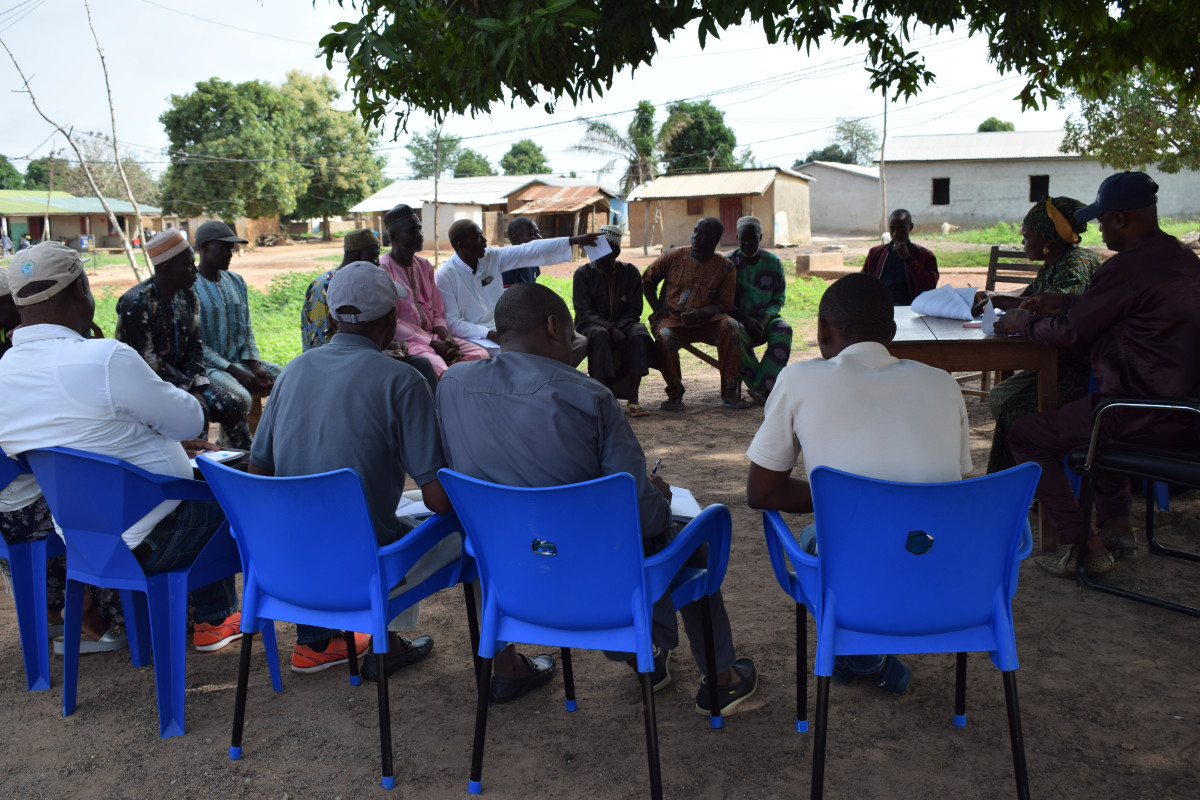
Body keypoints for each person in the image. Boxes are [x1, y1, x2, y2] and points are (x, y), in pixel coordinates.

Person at [439, 283, 758, 714]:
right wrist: (658, 496)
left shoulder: (453, 383)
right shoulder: (588, 396)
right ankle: (721, 679)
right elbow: (643, 520)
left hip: (510, 572)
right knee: (690, 538)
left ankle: (643, 661)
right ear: (555, 326)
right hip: (600, 581)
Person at [0, 242, 242, 654]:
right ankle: (218, 619)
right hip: (157, 537)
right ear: (80, 289)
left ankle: (207, 618)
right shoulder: (105, 358)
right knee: (239, 493)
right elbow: (189, 421)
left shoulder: (5, 372)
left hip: (83, 540)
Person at [746, 273, 973, 694]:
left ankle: (868, 661)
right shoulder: (942, 382)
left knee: (820, 537)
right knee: (883, 534)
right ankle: (862, 662)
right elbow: (954, 483)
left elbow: (761, 493)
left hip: (859, 570)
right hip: (946, 569)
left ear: (822, 332)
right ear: (890, 333)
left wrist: (846, 501)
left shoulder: (798, 380)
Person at [251, 262, 449, 679]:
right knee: (464, 528)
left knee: (383, 507)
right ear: (393, 318)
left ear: (334, 314)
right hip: (364, 567)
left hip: (288, 560)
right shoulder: (402, 381)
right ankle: (500, 662)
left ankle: (383, 642)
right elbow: (439, 499)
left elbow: (258, 471)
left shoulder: (292, 371)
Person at [997, 172, 1200, 576]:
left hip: (1141, 413)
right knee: (1091, 415)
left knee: (1028, 435)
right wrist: (1067, 299)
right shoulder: (1183, 260)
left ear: (1121, 219)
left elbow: (1070, 334)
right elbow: (1131, 307)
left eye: (1103, 220)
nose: (1098, 229)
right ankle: (1118, 526)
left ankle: (1082, 545)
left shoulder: (1125, 269)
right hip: (1187, 412)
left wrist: (1021, 322)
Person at [1, 261, 125, 653]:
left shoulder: (14, 352)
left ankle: (64, 610)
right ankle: (96, 614)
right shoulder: (13, 358)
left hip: (14, 495)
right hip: (20, 502)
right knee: (107, 493)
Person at [976, 197, 1101, 474]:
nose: (1023, 242)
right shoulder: (1056, 261)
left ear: (1047, 237)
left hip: (1078, 371)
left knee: (1011, 407)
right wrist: (994, 300)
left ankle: (1030, 481)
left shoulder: (1076, 264)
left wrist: (1015, 317)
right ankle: (1021, 479)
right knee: (1000, 396)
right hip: (1056, 361)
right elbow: (1031, 298)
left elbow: (1067, 318)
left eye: (1026, 235)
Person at [115, 230, 245, 438]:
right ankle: (192, 466)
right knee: (194, 411)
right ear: (166, 267)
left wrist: (195, 384)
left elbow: (195, 346)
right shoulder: (135, 303)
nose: (194, 270)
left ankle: (238, 459)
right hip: (147, 385)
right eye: (188, 264)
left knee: (233, 404)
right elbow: (146, 363)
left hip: (184, 379)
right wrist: (187, 390)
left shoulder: (187, 295)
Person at [434, 218, 596, 365]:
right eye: (477, 237)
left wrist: (574, 241)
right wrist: (489, 334)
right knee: (529, 355)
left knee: (576, 343)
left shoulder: (490, 257)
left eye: (482, 235)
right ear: (461, 245)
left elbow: (527, 250)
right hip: (476, 338)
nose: (484, 240)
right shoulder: (445, 276)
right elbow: (453, 323)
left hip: (505, 329)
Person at [299, 226, 438, 392]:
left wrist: (388, 345)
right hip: (334, 368)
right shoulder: (325, 286)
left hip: (362, 357)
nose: (378, 262)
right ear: (358, 256)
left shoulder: (363, 282)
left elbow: (363, 329)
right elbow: (321, 345)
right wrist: (377, 354)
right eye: (374, 256)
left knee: (420, 364)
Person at [641, 217, 749, 410]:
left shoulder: (725, 267)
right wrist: (658, 309)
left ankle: (729, 393)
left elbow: (724, 304)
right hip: (672, 321)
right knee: (665, 337)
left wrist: (700, 313)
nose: (696, 237)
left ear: (716, 238)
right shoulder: (673, 256)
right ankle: (675, 394)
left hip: (708, 322)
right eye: (695, 231)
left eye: (703, 234)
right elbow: (647, 281)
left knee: (730, 326)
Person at [191, 220, 282, 449]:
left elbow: (246, 328)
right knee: (240, 398)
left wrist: (255, 366)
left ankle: (274, 444)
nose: (230, 253)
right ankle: (236, 451)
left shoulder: (236, 281)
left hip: (241, 362)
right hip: (208, 367)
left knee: (289, 380)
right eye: (223, 247)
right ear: (203, 248)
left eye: (230, 248)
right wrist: (234, 370)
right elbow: (196, 344)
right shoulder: (189, 287)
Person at [376, 205, 489, 378]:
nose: (419, 235)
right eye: (412, 230)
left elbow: (437, 311)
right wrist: (431, 343)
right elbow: (392, 322)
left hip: (433, 337)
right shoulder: (382, 270)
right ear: (393, 236)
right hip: (407, 342)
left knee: (480, 356)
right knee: (438, 369)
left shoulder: (424, 266)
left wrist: (446, 338)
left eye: (420, 229)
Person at [572, 224, 655, 416]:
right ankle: (602, 398)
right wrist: (610, 328)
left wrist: (619, 327)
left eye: (604, 250)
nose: (598, 255)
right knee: (599, 334)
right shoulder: (583, 274)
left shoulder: (630, 272)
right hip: (591, 325)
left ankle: (633, 399)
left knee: (639, 333)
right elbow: (584, 311)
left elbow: (634, 309)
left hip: (624, 324)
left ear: (616, 251)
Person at [727, 216, 792, 404]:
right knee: (734, 332)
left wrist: (764, 321)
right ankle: (763, 388)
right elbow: (725, 302)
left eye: (753, 238)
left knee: (784, 330)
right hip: (737, 319)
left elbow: (778, 298)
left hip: (766, 318)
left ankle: (762, 387)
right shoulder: (727, 263)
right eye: (743, 238)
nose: (748, 243)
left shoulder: (773, 262)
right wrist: (747, 320)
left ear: (760, 237)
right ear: (737, 237)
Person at [861, 209, 939, 305]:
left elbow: (930, 286)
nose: (895, 234)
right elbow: (863, 282)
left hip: (912, 307)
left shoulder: (924, 255)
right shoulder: (876, 253)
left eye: (901, 228)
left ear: (910, 227)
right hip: (880, 307)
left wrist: (908, 258)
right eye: (892, 229)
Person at [501, 216, 545, 286]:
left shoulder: (532, 259)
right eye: (533, 234)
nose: (539, 237)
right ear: (516, 239)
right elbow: (509, 295)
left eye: (538, 233)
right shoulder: (510, 264)